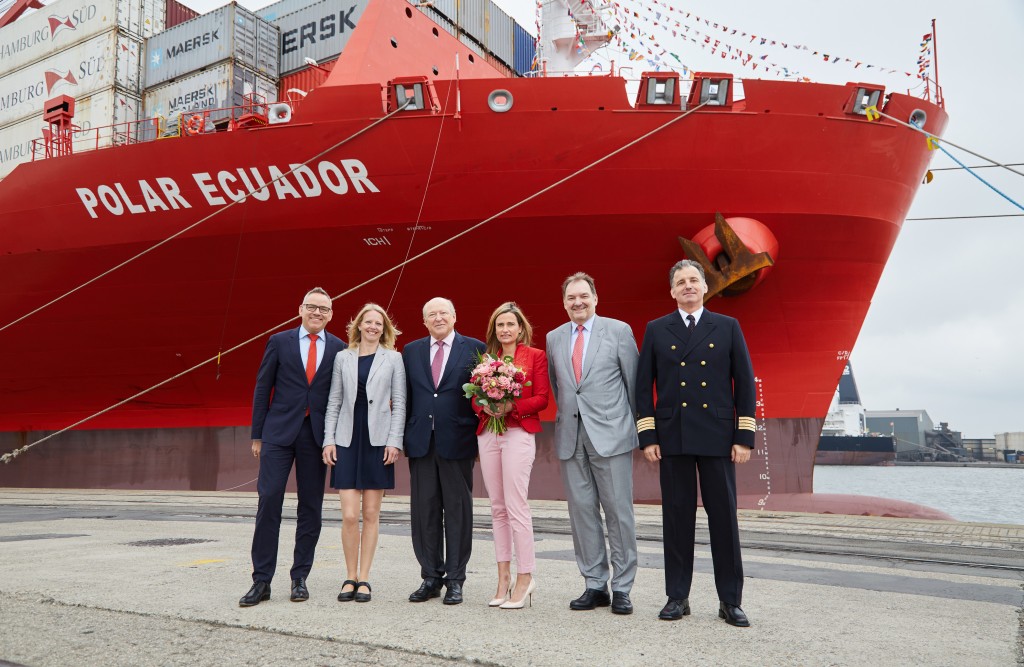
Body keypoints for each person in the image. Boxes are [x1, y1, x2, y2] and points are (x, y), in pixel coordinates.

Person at [635, 259, 756, 627]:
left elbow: (745, 383)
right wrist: (648, 436)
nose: (687, 286)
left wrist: (744, 437)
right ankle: (677, 596)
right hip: (674, 437)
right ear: (672, 291)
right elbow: (643, 387)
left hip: (718, 437)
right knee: (676, 519)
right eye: (680, 282)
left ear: (705, 287)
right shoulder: (657, 329)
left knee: (724, 520)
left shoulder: (728, 326)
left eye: (693, 280)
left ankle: (730, 600)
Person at [241, 287, 345, 607]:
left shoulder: (339, 348)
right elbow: (263, 387)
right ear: (300, 309)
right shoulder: (279, 341)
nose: (317, 313)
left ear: (331, 314)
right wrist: (257, 434)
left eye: (324, 309)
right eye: (312, 307)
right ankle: (261, 580)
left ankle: (300, 577)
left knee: (310, 507)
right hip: (277, 433)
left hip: (315, 436)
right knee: (269, 499)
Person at [546, 272, 639, 615]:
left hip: (611, 436)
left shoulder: (618, 331)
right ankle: (594, 584)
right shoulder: (554, 337)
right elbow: (561, 388)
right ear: (564, 303)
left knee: (618, 513)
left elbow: (634, 385)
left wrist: (637, 432)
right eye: (571, 298)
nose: (577, 302)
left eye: (583, 296)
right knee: (582, 513)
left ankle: (623, 587)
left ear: (596, 297)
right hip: (571, 436)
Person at [402, 297, 486, 605]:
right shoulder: (410, 351)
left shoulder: (474, 348)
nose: (438, 318)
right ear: (424, 321)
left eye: (443, 313)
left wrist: (481, 440)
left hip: (458, 440)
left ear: (454, 316)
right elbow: (406, 395)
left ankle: (456, 579)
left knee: (458, 510)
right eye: (431, 315)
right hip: (421, 440)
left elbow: (482, 396)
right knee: (424, 511)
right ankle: (430, 576)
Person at [322, 304, 406, 603]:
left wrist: (394, 441)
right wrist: (328, 439)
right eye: (368, 322)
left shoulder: (394, 358)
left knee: (371, 514)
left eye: (378, 323)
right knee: (348, 515)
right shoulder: (342, 358)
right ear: (358, 325)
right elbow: (334, 400)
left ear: (384, 329)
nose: (373, 327)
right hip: (346, 438)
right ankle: (349, 576)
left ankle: (365, 578)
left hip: (378, 440)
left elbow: (399, 402)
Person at [474, 302, 550, 609]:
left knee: (516, 505)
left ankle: (525, 576)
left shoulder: (535, 356)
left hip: (518, 432)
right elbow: (474, 397)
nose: (505, 329)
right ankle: (502, 577)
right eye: (500, 325)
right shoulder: (486, 360)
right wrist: (485, 406)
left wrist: (511, 407)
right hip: (489, 433)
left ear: (521, 329)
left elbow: (543, 398)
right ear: (494, 330)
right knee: (497, 506)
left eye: (510, 324)